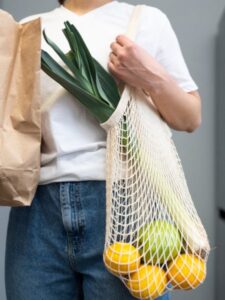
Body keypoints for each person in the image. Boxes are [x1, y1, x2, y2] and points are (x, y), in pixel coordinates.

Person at [5, 1, 201, 299]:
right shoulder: (28, 27)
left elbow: (189, 118)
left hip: (126, 210)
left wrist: (149, 76)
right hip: (37, 215)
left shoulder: (145, 20)